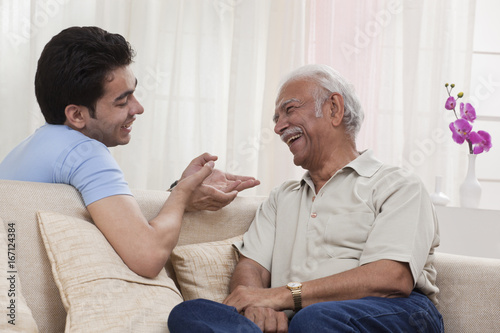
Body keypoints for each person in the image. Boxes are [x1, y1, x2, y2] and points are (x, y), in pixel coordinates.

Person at [167, 64, 444, 332]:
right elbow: (251, 266)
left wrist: (281, 296)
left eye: (289, 110)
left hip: (394, 312)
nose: (278, 128)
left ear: (334, 109)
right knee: (191, 313)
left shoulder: (398, 185)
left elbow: (391, 278)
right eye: (276, 119)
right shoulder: (282, 198)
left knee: (314, 319)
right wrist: (256, 304)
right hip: (301, 320)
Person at [0, 26, 259, 278]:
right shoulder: (84, 152)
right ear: (77, 114)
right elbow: (147, 257)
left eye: (134, 94)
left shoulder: (26, 149)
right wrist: (182, 193)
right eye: (122, 101)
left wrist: (180, 192)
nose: (138, 108)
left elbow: (120, 219)